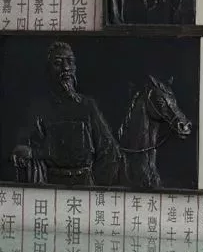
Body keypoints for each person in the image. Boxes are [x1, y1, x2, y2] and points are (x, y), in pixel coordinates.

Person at [11, 41, 122, 187]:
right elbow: (26, 149)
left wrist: (96, 185)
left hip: (85, 184)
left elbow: (109, 149)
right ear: (48, 70)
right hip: (51, 184)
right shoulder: (39, 109)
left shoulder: (88, 106)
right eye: (58, 63)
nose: (66, 68)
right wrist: (29, 154)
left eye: (70, 62)